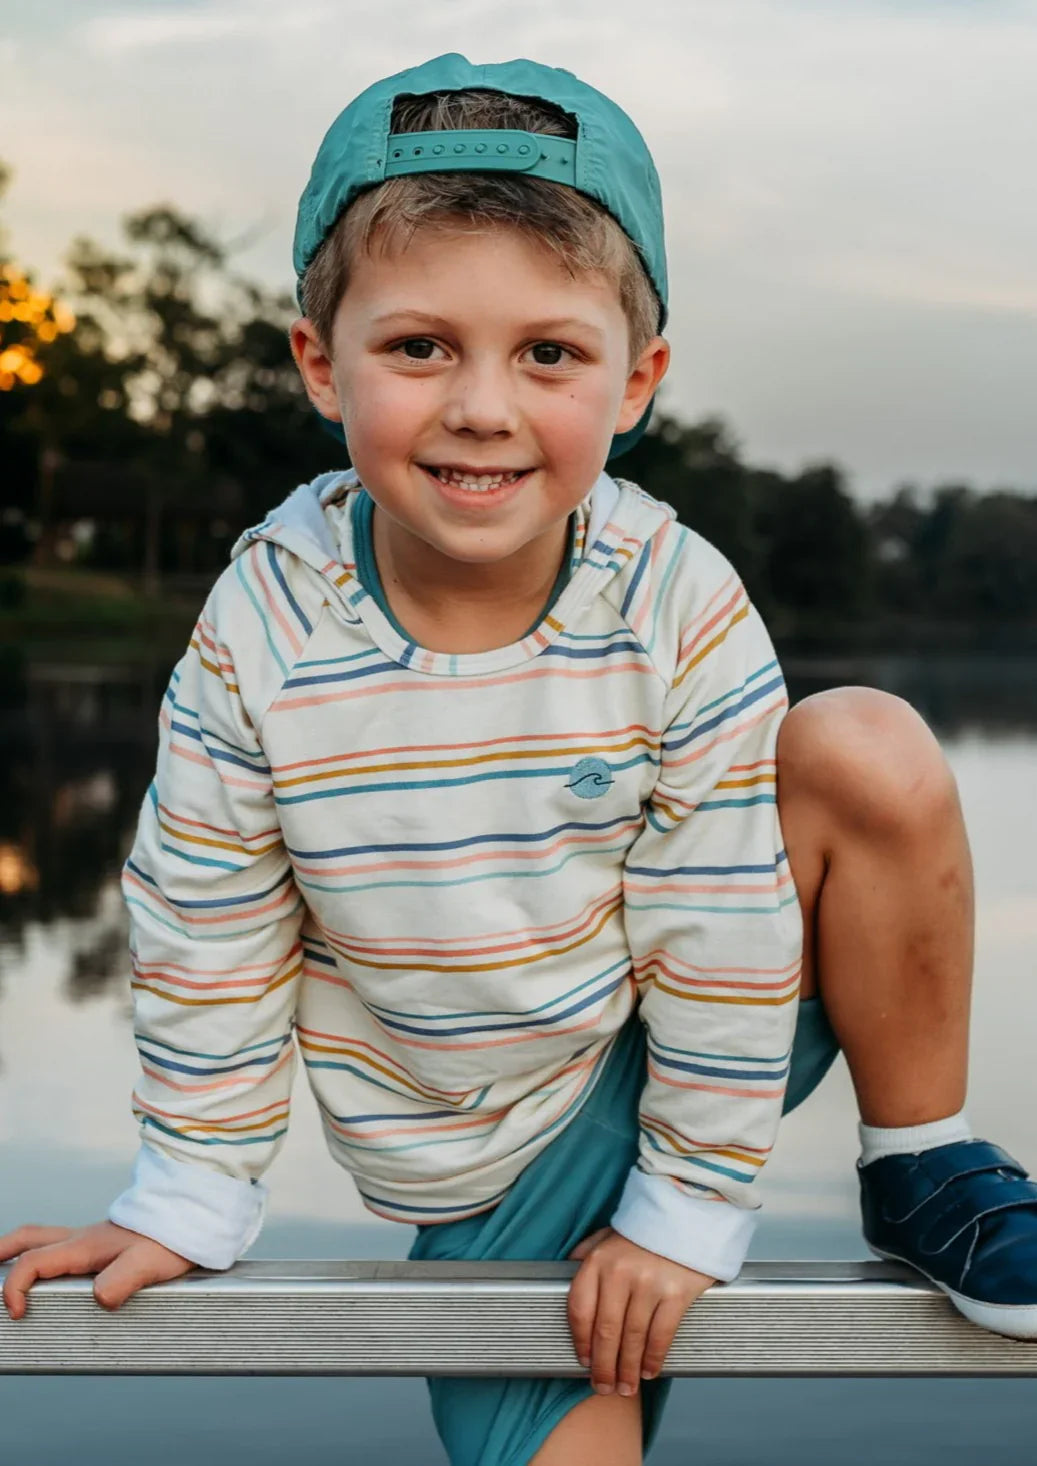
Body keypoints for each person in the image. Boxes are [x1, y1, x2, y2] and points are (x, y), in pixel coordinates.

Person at [3, 52, 1036, 1466]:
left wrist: (680, 1211)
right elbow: (210, 919)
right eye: (419, 345)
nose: (481, 404)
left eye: (547, 353)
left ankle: (922, 1159)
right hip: (483, 1157)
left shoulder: (676, 598)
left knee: (863, 743)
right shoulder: (267, 620)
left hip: (694, 1023)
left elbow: (723, 929)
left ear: (635, 382)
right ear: (320, 362)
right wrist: (183, 1196)